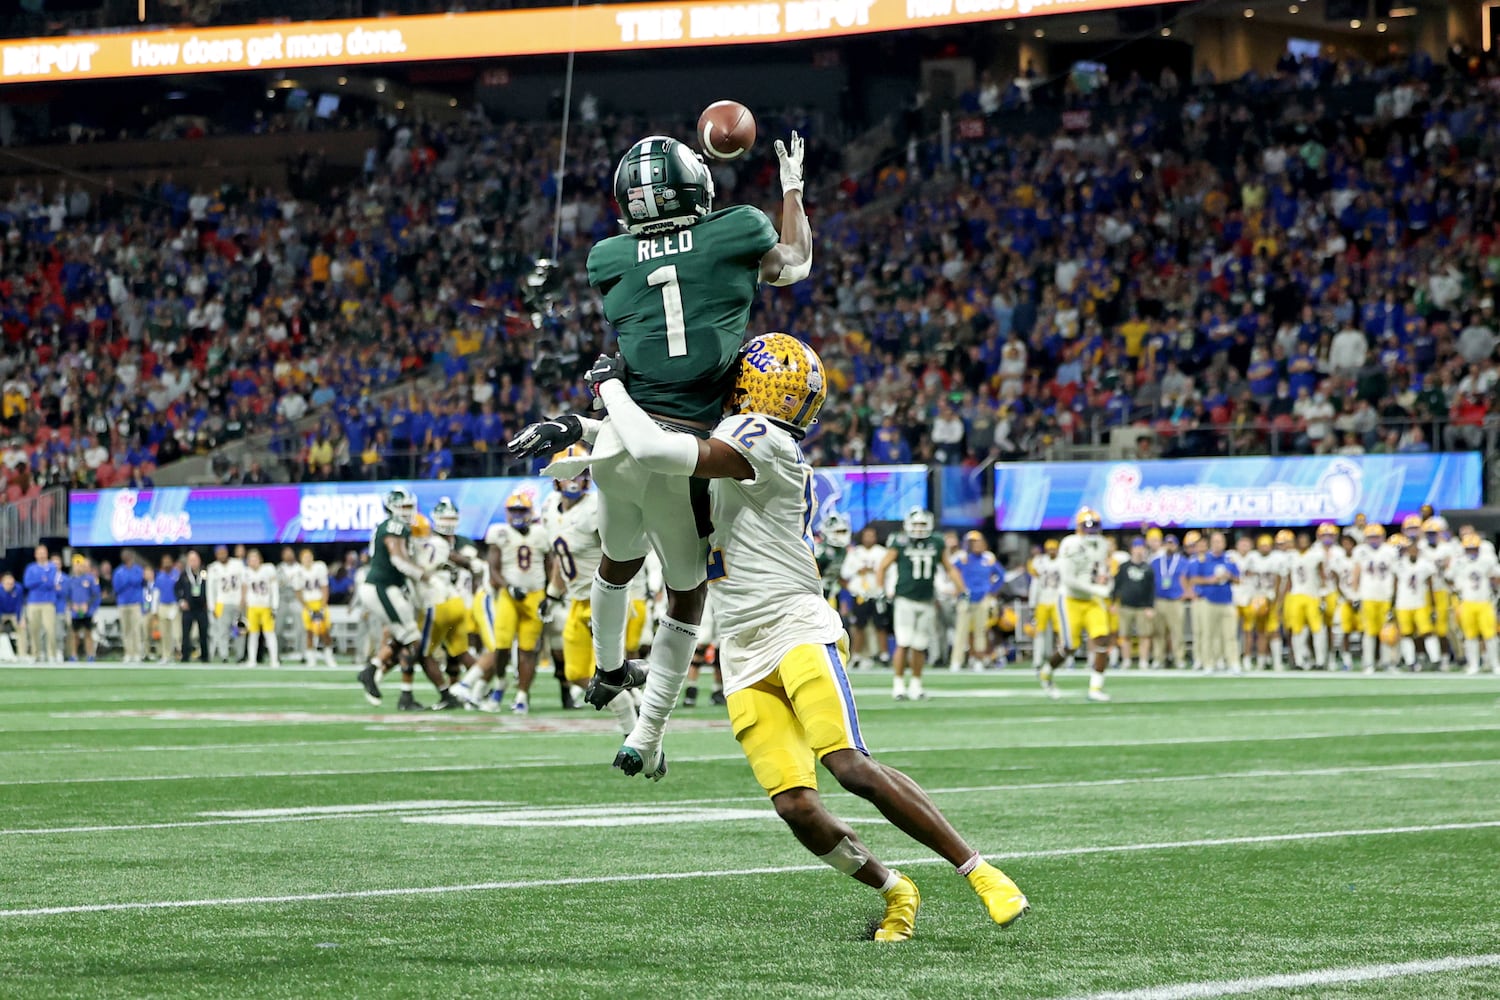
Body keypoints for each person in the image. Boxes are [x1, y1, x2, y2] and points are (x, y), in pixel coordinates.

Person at [565, 331, 1028, 939]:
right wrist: (581, 427)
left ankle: (978, 870)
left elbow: (653, 446)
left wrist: (609, 388)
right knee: (796, 806)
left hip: (792, 623)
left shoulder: (762, 438)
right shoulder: (735, 437)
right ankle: (895, 890)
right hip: (739, 645)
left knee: (849, 766)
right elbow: (646, 444)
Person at [509, 129, 814, 776]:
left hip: (618, 442)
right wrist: (792, 190)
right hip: (685, 448)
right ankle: (645, 734)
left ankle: (610, 668)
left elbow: (652, 287)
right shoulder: (738, 228)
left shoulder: (608, 256)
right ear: (695, 188)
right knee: (685, 594)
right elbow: (795, 261)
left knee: (617, 561)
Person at [543, 447, 641, 734]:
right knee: (575, 674)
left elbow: (622, 550)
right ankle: (636, 686)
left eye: (580, 472)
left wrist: (613, 591)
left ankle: (631, 729)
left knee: (607, 674)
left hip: (603, 600)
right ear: (556, 479)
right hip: (576, 600)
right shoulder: (549, 508)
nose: (574, 480)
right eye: (568, 473)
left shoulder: (598, 507)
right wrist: (551, 594)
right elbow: (560, 560)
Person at [356, 487, 446, 709]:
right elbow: (399, 561)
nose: (406, 512)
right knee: (412, 639)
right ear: (391, 508)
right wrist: (428, 578)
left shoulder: (396, 527)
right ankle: (373, 673)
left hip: (389, 588)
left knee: (405, 637)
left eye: (408, 507)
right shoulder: (394, 526)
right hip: (382, 588)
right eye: (402, 507)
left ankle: (377, 672)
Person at [464, 490, 549, 714]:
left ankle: (522, 696)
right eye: (514, 510)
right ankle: (501, 683)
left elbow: (550, 564)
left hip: (535, 595)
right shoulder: (498, 532)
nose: (518, 514)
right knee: (501, 646)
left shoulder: (541, 533)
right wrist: (509, 586)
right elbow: (493, 568)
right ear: (507, 512)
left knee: (528, 650)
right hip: (509, 596)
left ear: (530, 511)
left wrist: (550, 594)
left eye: (522, 510)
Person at [878, 509, 966, 701]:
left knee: (919, 645)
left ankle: (916, 685)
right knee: (903, 642)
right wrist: (880, 589)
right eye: (915, 525)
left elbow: (949, 567)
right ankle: (899, 685)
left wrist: (962, 588)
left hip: (926, 599)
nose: (918, 529)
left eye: (922, 525)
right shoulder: (900, 541)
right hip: (905, 599)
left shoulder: (936, 541)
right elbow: (883, 565)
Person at [1041, 507, 1114, 702]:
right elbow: (1069, 580)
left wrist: (1106, 583)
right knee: (1069, 646)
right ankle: (1046, 672)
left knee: (1102, 640)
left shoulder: (1102, 544)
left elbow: (1102, 571)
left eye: (1094, 526)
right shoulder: (1070, 544)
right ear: (1078, 527)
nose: (1091, 530)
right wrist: (1097, 590)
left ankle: (1095, 688)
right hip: (1070, 599)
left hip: (1092, 600)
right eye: (1087, 526)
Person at [407, 500, 470, 711]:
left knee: (420, 652)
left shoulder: (423, 545)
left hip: (438, 604)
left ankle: (438, 694)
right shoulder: (444, 544)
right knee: (459, 652)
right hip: (456, 602)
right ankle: (477, 687)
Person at [1187, 532, 1241, 674]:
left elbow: (1238, 580)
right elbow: (1193, 579)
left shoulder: (1229, 559)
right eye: (1215, 541)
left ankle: (1233, 662)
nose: (1218, 544)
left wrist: (1229, 576)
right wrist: (1210, 580)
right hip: (1209, 601)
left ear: (1224, 543)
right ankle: (1208, 663)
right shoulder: (1203, 559)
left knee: (1230, 635)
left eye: (1220, 541)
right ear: (1211, 543)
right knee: (1208, 634)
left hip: (1227, 601)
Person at [948, 531, 1001, 672]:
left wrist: (991, 590)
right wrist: (959, 588)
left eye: (979, 542)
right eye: (974, 543)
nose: (977, 545)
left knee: (980, 632)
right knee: (961, 631)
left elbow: (1001, 575)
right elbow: (951, 571)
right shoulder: (963, 558)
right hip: (966, 598)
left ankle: (979, 659)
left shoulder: (988, 559)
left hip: (982, 598)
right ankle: (956, 661)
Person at [840, 526, 891, 671]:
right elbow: (845, 572)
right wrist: (858, 570)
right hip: (860, 594)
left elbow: (889, 571)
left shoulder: (882, 552)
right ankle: (856, 655)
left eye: (871, 535)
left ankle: (884, 654)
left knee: (881, 626)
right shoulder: (855, 552)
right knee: (859, 626)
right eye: (866, 535)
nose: (869, 538)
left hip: (876, 593)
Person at [1351, 523, 1399, 673]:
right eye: (1370, 537)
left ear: (1383, 537)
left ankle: (1388, 663)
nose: (1373, 540)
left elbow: (1396, 574)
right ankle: (1368, 663)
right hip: (1368, 595)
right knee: (1369, 632)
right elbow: (1356, 573)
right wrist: (1355, 595)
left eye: (1376, 537)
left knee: (1387, 632)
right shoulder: (1361, 551)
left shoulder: (1390, 550)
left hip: (1385, 596)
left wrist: (1394, 596)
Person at [1452, 531, 1500, 674]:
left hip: (1484, 602)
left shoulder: (1487, 560)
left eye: (1474, 548)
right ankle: (1473, 665)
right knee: (1470, 636)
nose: (1471, 551)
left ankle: (1495, 664)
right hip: (1467, 602)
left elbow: (1496, 575)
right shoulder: (1460, 562)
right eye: (1469, 549)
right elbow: (1451, 579)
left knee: (1490, 635)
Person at [1392, 537, 1442, 672]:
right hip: (1402, 603)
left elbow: (1430, 585)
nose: (1413, 552)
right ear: (1407, 551)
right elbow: (1395, 585)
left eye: (1415, 549)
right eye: (1410, 549)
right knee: (1405, 634)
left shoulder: (1425, 564)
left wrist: (1433, 605)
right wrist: (1392, 604)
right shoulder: (1399, 564)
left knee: (1427, 632)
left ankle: (1435, 659)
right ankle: (1410, 661)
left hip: (1420, 602)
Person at [1283, 530, 1329, 670]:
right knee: (1297, 630)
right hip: (1296, 595)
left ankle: (1321, 660)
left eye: (1305, 539)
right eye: (1300, 539)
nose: (1303, 542)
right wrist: (1286, 598)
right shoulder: (1291, 556)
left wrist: (1323, 595)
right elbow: (1289, 579)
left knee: (1318, 629)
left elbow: (1322, 575)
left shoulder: (1316, 554)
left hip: (1312, 595)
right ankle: (1299, 661)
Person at [1112, 537, 1155, 672]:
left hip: (1142, 607)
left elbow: (1151, 589)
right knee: (1125, 635)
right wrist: (1114, 602)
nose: (1138, 551)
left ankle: (1143, 660)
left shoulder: (1148, 569)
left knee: (1145, 635)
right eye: (1136, 548)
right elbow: (1117, 585)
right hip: (1126, 605)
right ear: (1131, 550)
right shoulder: (1124, 567)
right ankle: (1126, 660)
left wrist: (1150, 606)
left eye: (1141, 548)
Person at [1318, 524, 1356, 672]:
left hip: (1339, 593)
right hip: (1323, 592)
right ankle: (1327, 658)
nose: (1327, 538)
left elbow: (1338, 576)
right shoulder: (1315, 551)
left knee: (1340, 629)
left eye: (1330, 535)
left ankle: (1340, 659)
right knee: (1325, 629)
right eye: (1324, 535)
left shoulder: (1340, 552)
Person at [1150, 533, 1189, 670]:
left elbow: (1188, 579)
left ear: (1176, 546)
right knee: (1158, 632)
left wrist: (1186, 593)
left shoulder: (1183, 561)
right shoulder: (1156, 562)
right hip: (1159, 600)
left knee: (1177, 632)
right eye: (1167, 543)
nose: (1169, 546)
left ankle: (1179, 658)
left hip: (1175, 601)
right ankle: (1158, 658)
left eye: (1172, 543)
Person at [295, 548, 336, 668]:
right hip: (308, 604)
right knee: (309, 632)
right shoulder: (299, 572)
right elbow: (298, 592)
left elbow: (324, 587)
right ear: (301, 559)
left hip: (319, 602)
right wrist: (306, 607)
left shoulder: (319, 567)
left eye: (309, 556)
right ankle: (311, 658)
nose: (307, 559)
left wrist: (323, 605)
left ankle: (329, 656)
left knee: (324, 632)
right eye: (304, 557)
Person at [206, 545, 246, 663]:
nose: (222, 555)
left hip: (237, 601)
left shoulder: (237, 564)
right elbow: (210, 589)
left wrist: (243, 600)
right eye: (219, 553)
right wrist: (212, 606)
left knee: (239, 630)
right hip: (222, 603)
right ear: (216, 555)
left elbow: (244, 582)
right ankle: (224, 655)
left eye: (223, 552)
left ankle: (240, 655)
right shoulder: (213, 567)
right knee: (222, 631)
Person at [241, 548, 280, 668]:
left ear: (260, 560)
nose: (253, 562)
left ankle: (274, 660)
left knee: (269, 633)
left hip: (266, 606)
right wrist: (243, 606)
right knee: (253, 634)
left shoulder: (268, 569)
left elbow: (274, 589)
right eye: (250, 559)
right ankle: (252, 660)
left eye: (255, 559)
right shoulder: (246, 572)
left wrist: (275, 605)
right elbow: (244, 590)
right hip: (252, 607)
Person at [1028, 539, 1061, 673]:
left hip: (1058, 600)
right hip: (1043, 600)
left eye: (1054, 548)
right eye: (1049, 549)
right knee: (1039, 631)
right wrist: (1032, 601)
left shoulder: (1063, 562)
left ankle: (1065, 659)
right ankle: (1037, 659)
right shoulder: (1039, 562)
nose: (1052, 551)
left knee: (1062, 632)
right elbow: (1035, 583)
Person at [22, 545, 59, 663]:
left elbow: (51, 583)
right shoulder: (30, 568)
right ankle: (36, 654)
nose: (42, 555)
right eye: (40, 553)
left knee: (50, 629)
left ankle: (51, 655)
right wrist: (42, 580)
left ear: (47, 554)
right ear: (36, 554)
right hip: (33, 602)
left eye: (44, 553)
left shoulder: (52, 567)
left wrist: (39, 582)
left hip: (48, 603)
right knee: (34, 630)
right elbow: (27, 583)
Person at [175, 550, 210, 664]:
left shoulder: (205, 573)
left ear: (199, 560)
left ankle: (205, 656)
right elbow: (176, 589)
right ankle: (185, 656)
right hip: (188, 608)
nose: (193, 562)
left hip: (202, 608)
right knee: (185, 634)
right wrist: (181, 601)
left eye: (195, 560)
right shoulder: (184, 574)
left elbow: (211, 587)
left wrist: (209, 601)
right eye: (191, 560)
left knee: (203, 633)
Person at [65, 555, 101, 662]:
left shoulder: (90, 579)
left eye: (79, 565)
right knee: (74, 634)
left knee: (88, 633)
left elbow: (96, 595)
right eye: (76, 565)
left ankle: (90, 655)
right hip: (75, 612)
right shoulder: (70, 580)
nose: (78, 567)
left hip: (87, 611)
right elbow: (66, 596)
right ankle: (73, 655)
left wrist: (88, 605)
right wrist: (72, 605)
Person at [113, 550, 147, 663]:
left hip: (135, 603)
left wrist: (127, 581)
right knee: (126, 629)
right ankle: (128, 653)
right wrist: (129, 581)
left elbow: (138, 580)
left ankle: (137, 653)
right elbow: (117, 587)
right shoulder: (118, 571)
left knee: (136, 629)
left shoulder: (138, 570)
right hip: (123, 603)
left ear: (132, 557)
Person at [815, 513, 851, 604]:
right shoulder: (819, 550)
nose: (842, 535)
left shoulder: (843, 551)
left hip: (833, 591)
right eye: (838, 531)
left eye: (843, 531)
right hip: (815, 593)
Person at [153, 554, 181, 662]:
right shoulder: (159, 576)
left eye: (168, 562)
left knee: (177, 633)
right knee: (165, 633)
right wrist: (154, 609)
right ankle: (166, 655)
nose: (167, 564)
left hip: (174, 605)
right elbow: (156, 593)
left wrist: (179, 604)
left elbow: (181, 590)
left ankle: (178, 653)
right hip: (163, 606)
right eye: (165, 562)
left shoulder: (177, 575)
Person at [0, 571, 23, 660]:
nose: (9, 585)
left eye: (11, 583)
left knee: (22, 629)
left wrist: (19, 619)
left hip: (13, 614)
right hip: (2, 614)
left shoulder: (18, 588)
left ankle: (22, 654)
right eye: (7, 583)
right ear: (3, 582)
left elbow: (19, 605)